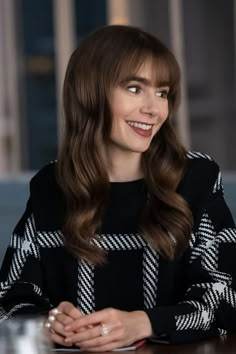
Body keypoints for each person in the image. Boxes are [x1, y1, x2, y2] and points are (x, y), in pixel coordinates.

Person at [0, 24, 236, 351]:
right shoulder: (51, 187)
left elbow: (225, 297)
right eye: (135, 89)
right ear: (90, 92)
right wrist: (49, 322)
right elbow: (10, 301)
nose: (154, 109)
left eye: (162, 92)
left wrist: (142, 322)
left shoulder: (196, 177)